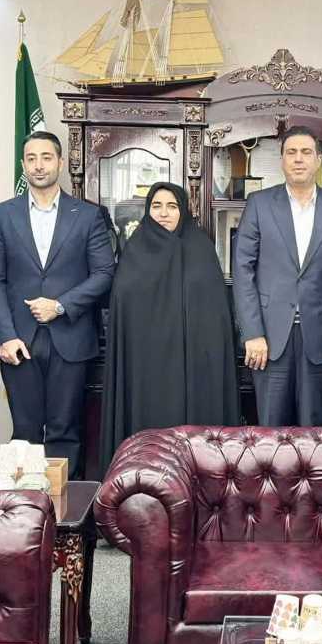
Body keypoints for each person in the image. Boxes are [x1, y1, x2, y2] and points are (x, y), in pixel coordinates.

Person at [0, 131, 115, 477]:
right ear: (23, 165)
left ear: (60, 162)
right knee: (25, 435)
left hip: (70, 338)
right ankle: (27, 507)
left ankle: (62, 510)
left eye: (46, 157)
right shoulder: (2, 216)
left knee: (65, 432)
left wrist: (60, 305)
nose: (38, 165)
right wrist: (5, 336)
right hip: (19, 342)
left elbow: (104, 273)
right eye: (31, 158)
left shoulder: (88, 215)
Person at [100, 182, 239, 472]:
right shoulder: (134, 251)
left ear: (184, 210)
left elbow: (216, 315)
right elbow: (123, 309)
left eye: (172, 206)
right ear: (147, 210)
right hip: (142, 371)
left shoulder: (201, 248)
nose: (164, 213)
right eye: (157, 206)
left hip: (193, 370)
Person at [233, 125, 322, 426]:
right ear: (282, 160)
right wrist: (252, 333)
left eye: (306, 152)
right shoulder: (259, 204)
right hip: (269, 339)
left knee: (314, 434)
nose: (298, 159)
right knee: (271, 433)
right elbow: (242, 270)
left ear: (318, 160)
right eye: (291, 152)